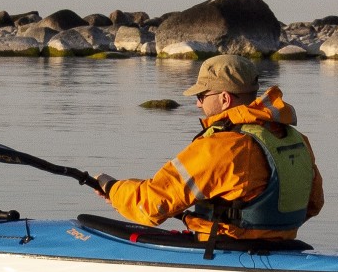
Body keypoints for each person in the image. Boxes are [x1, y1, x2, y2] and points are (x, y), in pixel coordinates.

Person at [94, 54, 324, 243]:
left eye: (202, 95)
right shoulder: (295, 138)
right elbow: (313, 204)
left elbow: (151, 204)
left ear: (224, 98)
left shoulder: (221, 147)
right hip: (285, 247)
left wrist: (112, 188)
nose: (197, 103)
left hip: (225, 249)